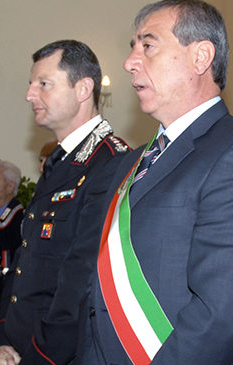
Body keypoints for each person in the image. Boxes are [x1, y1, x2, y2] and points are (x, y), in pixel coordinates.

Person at [78, 1, 233, 364]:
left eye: (147, 45)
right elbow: (97, 289)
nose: (130, 61)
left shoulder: (226, 151)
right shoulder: (133, 162)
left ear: (200, 57)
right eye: (133, 47)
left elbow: (219, 311)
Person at [0, 40, 130, 365]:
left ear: (83, 89)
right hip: (21, 346)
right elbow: (25, 257)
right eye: (30, 83)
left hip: (61, 355)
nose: (29, 95)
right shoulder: (60, 160)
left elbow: (82, 281)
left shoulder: (110, 162)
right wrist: (2, 338)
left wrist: (38, 358)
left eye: (43, 84)